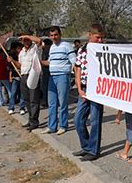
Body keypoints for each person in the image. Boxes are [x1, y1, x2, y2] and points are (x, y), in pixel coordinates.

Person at [72, 24, 105, 161]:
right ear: (90, 35)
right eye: (98, 37)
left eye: (102, 38)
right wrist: (79, 88)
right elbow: (77, 69)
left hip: (98, 89)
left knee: (95, 121)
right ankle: (86, 146)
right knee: (78, 120)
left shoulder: (104, 50)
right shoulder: (82, 50)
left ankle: (93, 150)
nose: (100, 41)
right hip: (85, 88)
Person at [41, 26, 76, 136]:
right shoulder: (52, 47)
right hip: (52, 76)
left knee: (63, 102)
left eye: (55, 35)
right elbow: (49, 62)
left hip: (63, 76)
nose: (54, 37)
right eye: (51, 35)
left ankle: (63, 125)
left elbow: (74, 62)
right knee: (52, 103)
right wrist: (38, 62)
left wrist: (77, 77)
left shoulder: (67, 46)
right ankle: (52, 126)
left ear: (60, 34)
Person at [7, 34, 42, 131]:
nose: (26, 41)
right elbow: (19, 65)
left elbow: (39, 40)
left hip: (33, 75)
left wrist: (26, 35)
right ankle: (31, 119)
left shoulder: (34, 48)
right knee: (26, 99)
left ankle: (34, 121)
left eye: (27, 40)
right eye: (23, 40)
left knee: (34, 99)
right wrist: (12, 61)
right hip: (23, 75)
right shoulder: (21, 52)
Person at [8, 42, 26, 115]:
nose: (19, 50)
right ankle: (11, 107)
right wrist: (10, 76)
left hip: (23, 76)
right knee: (13, 93)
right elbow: (11, 68)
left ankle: (22, 108)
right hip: (15, 77)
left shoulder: (24, 56)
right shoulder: (14, 56)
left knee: (22, 94)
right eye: (18, 48)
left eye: (20, 48)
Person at [40, 38, 52, 108]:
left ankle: (47, 102)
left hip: (47, 71)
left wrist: (40, 62)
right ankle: (46, 101)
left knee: (46, 88)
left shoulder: (48, 51)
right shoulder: (44, 50)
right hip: (45, 71)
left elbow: (47, 62)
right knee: (45, 88)